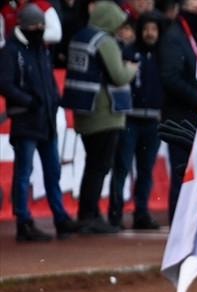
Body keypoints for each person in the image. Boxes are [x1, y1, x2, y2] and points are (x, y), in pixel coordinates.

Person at [0, 2, 78, 241]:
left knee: (53, 171)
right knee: (24, 173)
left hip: (47, 119)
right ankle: (23, 220)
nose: (41, 29)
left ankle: (60, 217)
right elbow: (5, 84)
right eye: (37, 25)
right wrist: (29, 101)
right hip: (26, 119)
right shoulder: (11, 50)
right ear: (26, 25)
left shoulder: (41, 49)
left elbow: (49, 80)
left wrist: (54, 100)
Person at [62, 0, 137, 234]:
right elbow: (118, 75)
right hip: (105, 113)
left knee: (92, 164)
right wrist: (131, 68)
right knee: (100, 166)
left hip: (83, 111)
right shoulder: (105, 41)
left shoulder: (80, 37)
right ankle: (89, 215)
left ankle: (90, 212)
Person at [109, 10, 164, 230]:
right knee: (122, 167)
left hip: (153, 121)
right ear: (140, 31)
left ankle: (141, 212)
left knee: (146, 170)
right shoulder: (129, 52)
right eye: (146, 29)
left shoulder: (163, 55)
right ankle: (115, 214)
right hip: (129, 119)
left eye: (154, 29)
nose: (150, 33)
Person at [160, 0, 197, 218]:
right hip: (180, 120)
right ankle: (179, 224)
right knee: (183, 175)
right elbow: (170, 78)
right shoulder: (173, 37)